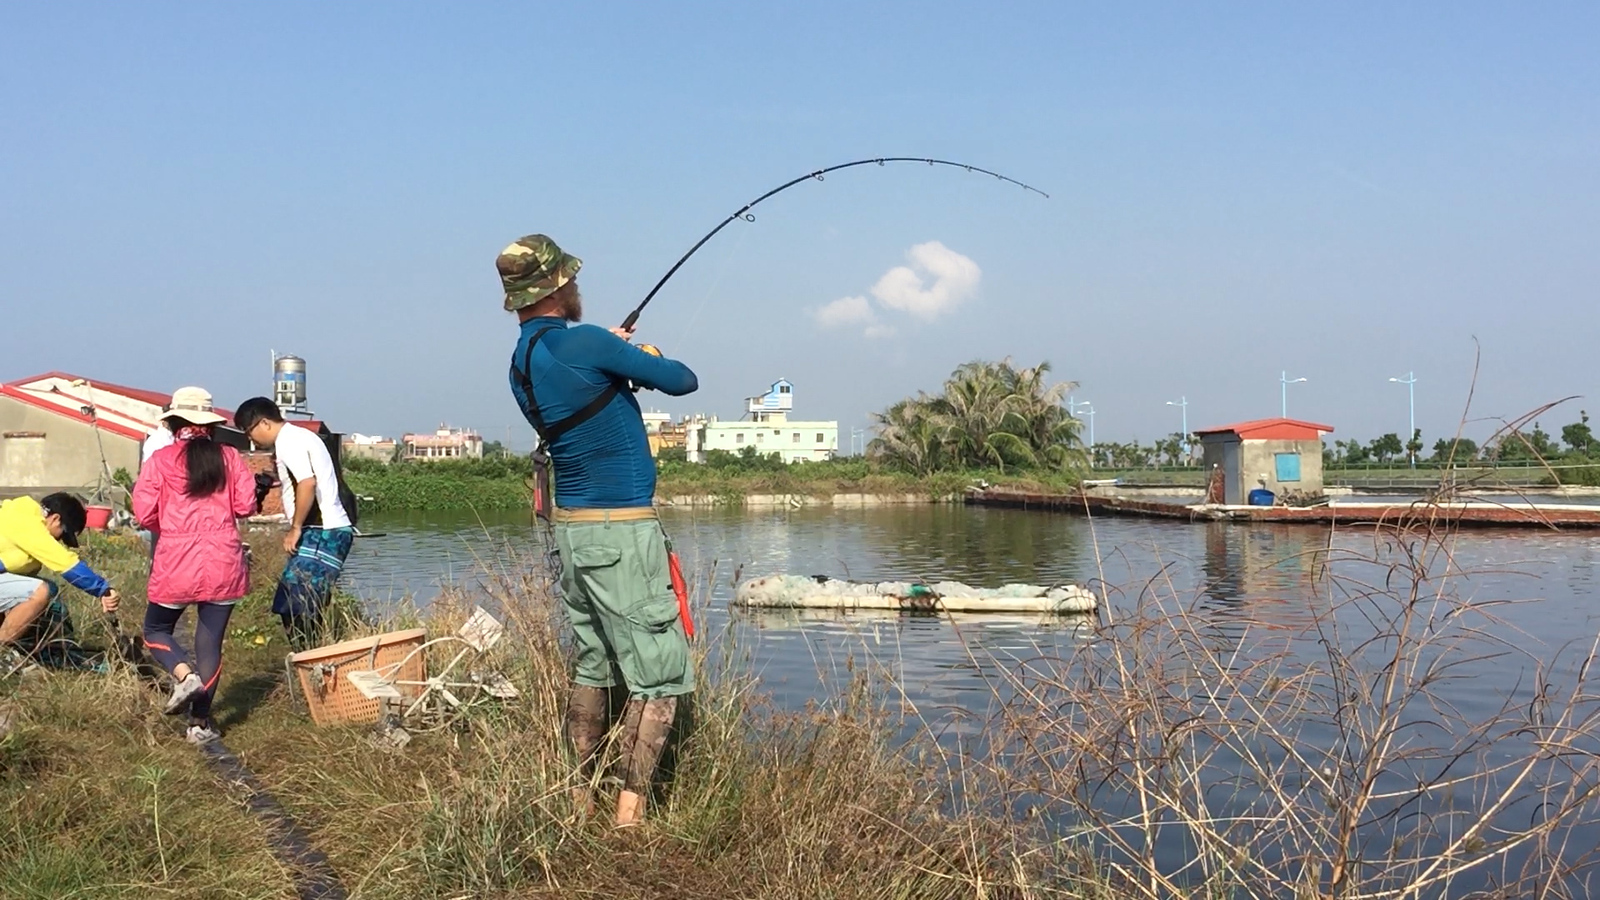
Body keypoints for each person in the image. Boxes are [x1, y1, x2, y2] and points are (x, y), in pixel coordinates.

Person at [499, 233, 699, 826]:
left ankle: (578, 797)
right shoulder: (584, 341)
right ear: (561, 286)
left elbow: (579, 389)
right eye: (572, 280)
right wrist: (637, 352)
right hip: (622, 529)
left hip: (574, 530)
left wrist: (608, 353)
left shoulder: (522, 363)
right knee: (659, 674)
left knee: (595, 663)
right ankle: (629, 817)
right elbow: (683, 379)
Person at [132, 386, 259, 743]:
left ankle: (183, 676)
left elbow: (144, 513)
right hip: (224, 559)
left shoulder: (160, 459)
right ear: (211, 424)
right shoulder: (230, 458)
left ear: (173, 422)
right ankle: (200, 724)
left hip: (176, 559)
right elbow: (246, 505)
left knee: (156, 631)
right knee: (210, 643)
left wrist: (170, 528)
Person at [232, 397, 353, 650]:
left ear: (264, 423)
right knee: (304, 606)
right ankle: (314, 660)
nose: (251, 440)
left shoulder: (289, 441)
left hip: (323, 532)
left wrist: (295, 527)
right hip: (322, 531)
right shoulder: (299, 437)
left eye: (249, 432)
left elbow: (307, 483)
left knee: (295, 605)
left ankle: (311, 661)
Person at [0, 492, 120, 672]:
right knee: (40, 591)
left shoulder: (18, 514)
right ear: (55, 519)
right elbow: (67, 564)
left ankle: (24, 647)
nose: (58, 542)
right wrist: (103, 590)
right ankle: (2, 653)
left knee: (39, 590)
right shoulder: (29, 524)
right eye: (61, 536)